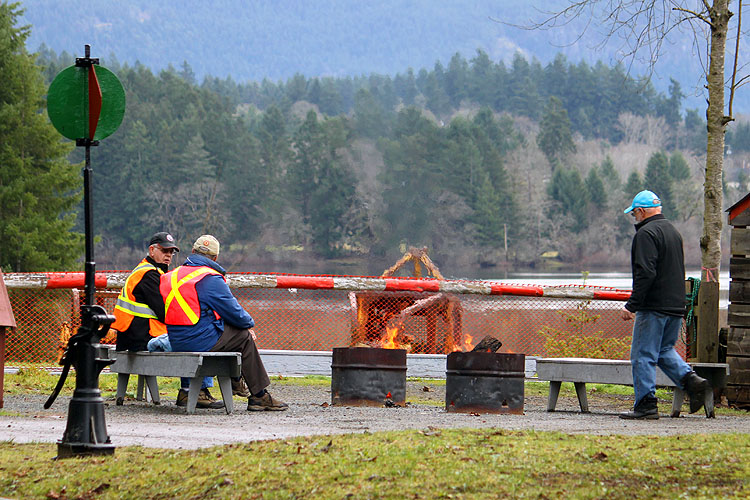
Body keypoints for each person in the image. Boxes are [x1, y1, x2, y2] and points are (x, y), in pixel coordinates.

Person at [160, 235, 288, 411]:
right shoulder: (209, 278)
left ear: (192, 252)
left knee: (230, 333)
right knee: (243, 337)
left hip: (176, 340)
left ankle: (232, 382)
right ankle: (259, 395)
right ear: (215, 258)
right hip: (199, 342)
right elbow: (235, 313)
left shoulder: (170, 276)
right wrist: (249, 324)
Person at [619, 190, 710, 419]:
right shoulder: (673, 232)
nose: (635, 219)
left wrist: (632, 305)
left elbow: (646, 273)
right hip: (676, 304)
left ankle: (646, 404)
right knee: (664, 350)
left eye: (634, 214)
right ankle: (691, 381)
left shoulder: (646, 234)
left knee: (642, 355)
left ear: (640, 211)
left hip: (653, 306)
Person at [112, 231, 223, 409]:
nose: (169, 256)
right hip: (140, 337)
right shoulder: (149, 275)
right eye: (165, 251)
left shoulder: (150, 271)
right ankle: (192, 391)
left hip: (135, 334)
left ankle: (191, 390)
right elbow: (166, 312)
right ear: (152, 250)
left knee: (189, 335)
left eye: (172, 252)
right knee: (191, 338)